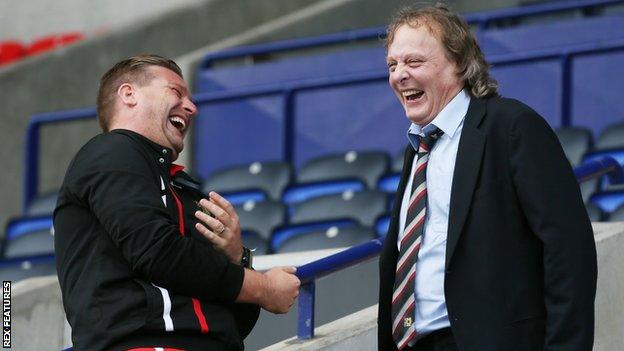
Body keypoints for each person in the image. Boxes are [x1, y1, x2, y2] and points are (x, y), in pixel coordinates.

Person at [377, 5, 597, 351]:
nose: (399, 75)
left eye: (414, 62)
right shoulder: (417, 149)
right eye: (393, 65)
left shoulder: (511, 128)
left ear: (460, 63)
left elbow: (569, 252)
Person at [54, 54, 300, 351]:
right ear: (129, 94)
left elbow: (232, 325)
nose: (192, 107)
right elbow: (158, 252)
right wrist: (263, 288)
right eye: (176, 91)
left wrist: (236, 257)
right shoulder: (112, 151)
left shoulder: (183, 188)